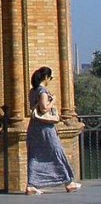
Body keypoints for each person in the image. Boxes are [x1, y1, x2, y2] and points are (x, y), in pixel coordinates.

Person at [25, 66, 81, 195]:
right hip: (45, 128)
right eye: (50, 77)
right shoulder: (43, 91)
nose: (50, 80)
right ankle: (69, 182)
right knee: (57, 151)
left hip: (34, 128)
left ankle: (31, 184)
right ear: (46, 77)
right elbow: (44, 109)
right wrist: (53, 101)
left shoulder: (32, 91)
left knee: (34, 155)